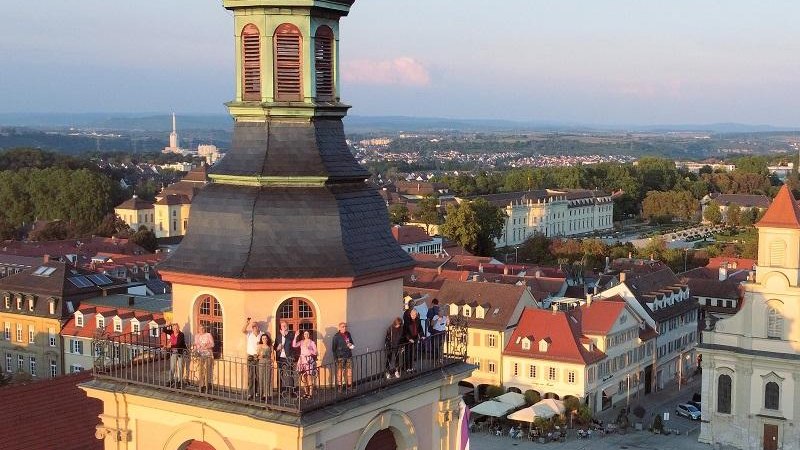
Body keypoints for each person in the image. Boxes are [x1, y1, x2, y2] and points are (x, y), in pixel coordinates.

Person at [273, 321, 296, 397]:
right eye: (283, 326)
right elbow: (275, 347)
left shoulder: (291, 334)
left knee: (290, 374)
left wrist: (284, 335)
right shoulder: (278, 336)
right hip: (280, 357)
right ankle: (280, 392)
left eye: (285, 326)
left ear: (288, 326)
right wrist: (277, 348)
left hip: (288, 357)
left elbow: (291, 343)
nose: (284, 327)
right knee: (280, 374)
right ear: (281, 327)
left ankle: (291, 392)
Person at [292, 329, 318, 399]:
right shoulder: (301, 342)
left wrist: (310, 349)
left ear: (309, 335)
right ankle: (306, 392)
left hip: (308, 360)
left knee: (309, 376)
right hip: (302, 359)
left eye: (307, 334)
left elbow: (315, 352)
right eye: (305, 334)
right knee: (303, 377)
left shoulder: (312, 342)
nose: (306, 335)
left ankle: (310, 393)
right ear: (303, 335)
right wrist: (295, 336)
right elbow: (294, 345)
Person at [242, 318, 263, 400]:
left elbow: (267, 343)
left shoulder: (262, 334)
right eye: (253, 326)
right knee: (250, 376)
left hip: (258, 357)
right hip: (250, 357)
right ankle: (250, 393)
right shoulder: (249, 334)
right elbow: (243, 330)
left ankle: (258, 392)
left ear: (258, 327)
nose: (254, 327)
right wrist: (247, 323)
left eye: (256, 326)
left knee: (258, 375)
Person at [331, 322, 355, 392]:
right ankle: (339, 387)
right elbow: (333, 349)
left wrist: (351, 345)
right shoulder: (336, 336)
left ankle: (349, 386)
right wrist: (335, 358)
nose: (344, 328)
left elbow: (352, 344)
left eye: (345, 326)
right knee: (340, 372)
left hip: (348, 355)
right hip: (340, 357)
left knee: (349, 372)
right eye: (342, 326)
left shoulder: (348, 334)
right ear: (339, 328)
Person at [193, 324, 215, 393]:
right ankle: (201, 385)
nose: (202, 330)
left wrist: (206, 346)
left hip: (208, 354)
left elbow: (212, 344)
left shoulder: (208, 335)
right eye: (200, 329)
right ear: (198, 329)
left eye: (203, 328)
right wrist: (194, 350)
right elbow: (196, 345)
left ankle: (207, 386)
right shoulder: (197, 336)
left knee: (207, 371)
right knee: (201, 371)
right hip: (200, 355)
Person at [256, 333, 273, 401]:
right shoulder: (259, 346)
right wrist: (259, 356)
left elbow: (272, 355)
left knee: (268, 378)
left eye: (265, 338)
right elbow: (257, 355)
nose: (264, 340)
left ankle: (267, 394)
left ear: (267, 339)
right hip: (261, 362)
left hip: (268, 362)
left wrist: (272, 362)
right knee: (261, 378)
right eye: (263, 338)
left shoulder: (270, 346)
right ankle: (262, 394)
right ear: (261, 339)